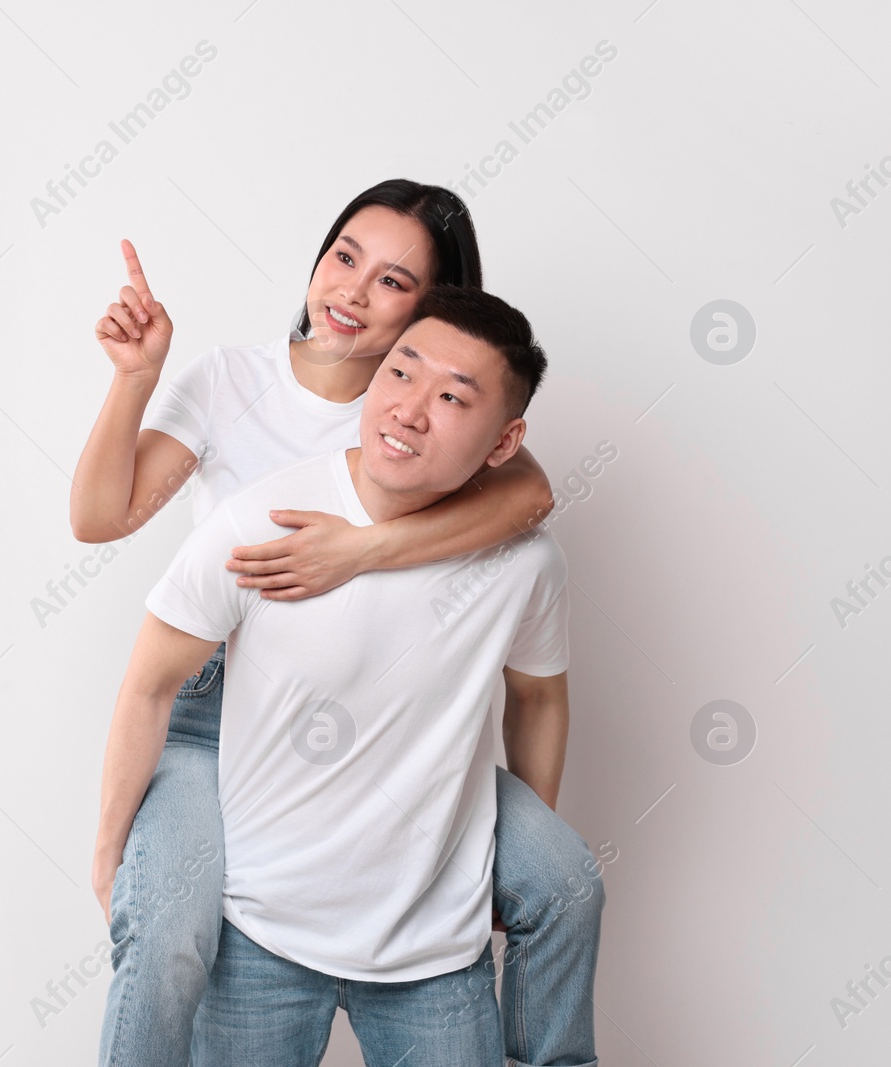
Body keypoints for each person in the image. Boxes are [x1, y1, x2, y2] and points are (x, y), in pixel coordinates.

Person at [74, 181, 603, 1067]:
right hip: (217, 711)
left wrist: (360, 550)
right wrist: (135, 380)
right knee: (163, 924)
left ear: (430, 312)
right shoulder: (237, 382)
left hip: (387, 733)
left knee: (563, 882)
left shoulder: (444, 413)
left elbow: (532, 502)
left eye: (393, 282)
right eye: (345, 256)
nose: (352, 292)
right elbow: (101, 517)